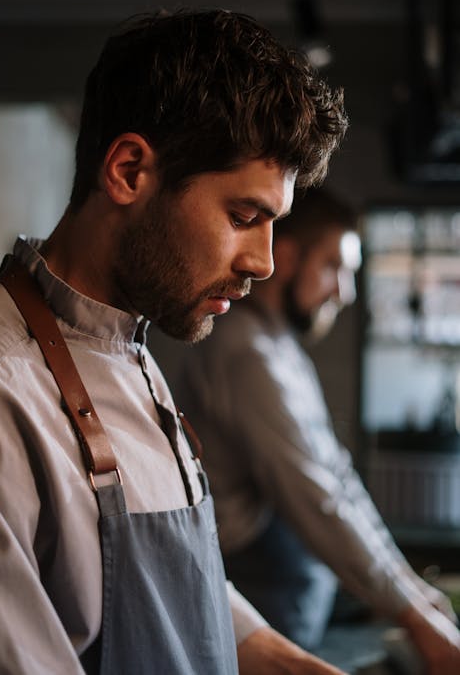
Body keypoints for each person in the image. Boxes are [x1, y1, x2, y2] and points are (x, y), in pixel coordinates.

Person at [0, 10, 349, 675]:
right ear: (130, 170)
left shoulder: (130, 348)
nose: (265, 262)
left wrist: (297, 667)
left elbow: (171, 590)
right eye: (244, 217)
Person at [174, 187, 460, 675]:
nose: (344, 292)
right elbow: (317, 501)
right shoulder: (248, 356)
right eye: (334, 267)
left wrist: (413, 590)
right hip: (260, 598)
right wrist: (414, 619)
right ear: (285, 257)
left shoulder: (279, 345)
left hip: (298, 593)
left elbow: (340, 481)